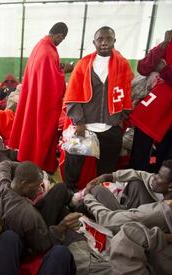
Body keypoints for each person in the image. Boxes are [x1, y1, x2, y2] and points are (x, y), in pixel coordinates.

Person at [63, 26, 133, 191]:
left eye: (108, 39)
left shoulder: (122, 64)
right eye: (100, 39)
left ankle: (101, 195)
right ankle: (69, 193)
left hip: (111, 127)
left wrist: (119, 117)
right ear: (94, 42)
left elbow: (128, 92)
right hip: (84, 126)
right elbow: (72, 95)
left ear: (114, 41)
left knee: (107, 167)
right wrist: (79, 122)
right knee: (73, 164)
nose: (104, 43)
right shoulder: (84, 64)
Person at [9, 22, 72, 174]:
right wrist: (66, 71)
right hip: (42, 103)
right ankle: (38, 164)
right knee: (41, 132)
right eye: (61, 39)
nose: (60, 42)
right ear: (59, 35)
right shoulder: (49, 51)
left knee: (29, 130)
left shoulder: (40, 46)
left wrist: (59, 68)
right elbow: (52, 81)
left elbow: (46, 73)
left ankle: (28, 160)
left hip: (33, 98)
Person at [0, 160, 80, 262]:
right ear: (24, 184)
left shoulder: (1, 182)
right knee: (61, 192)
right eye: (37, 185)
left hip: (12, 224)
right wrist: (61, 227)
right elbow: (43, 246)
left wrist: (32, 171)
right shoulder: (29, 214)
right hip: (28, 244)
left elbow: (4, 163)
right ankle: (75, 203)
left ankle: (72, 202)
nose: (40, 189)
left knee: (60, 190)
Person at [129, 30, 172, 172]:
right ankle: (133, 184)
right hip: (152, 109)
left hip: (167, 115)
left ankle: (156, 188)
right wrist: (164, 44)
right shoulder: (167, 45)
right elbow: (143, 68)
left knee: (162, 157)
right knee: (139, 153)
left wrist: (164, 69)